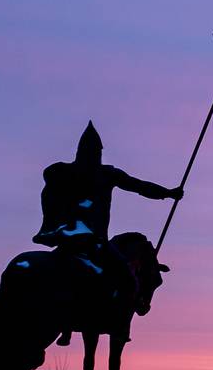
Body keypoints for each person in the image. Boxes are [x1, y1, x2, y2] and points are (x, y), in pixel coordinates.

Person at [34, 122, 181, 338]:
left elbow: (139, 186)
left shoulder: (64, 172)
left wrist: (166, 193)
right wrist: (168, 193)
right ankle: (118, 328)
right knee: (127, 279)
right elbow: (138, 186)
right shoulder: (102, 174)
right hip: (94, 242)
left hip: (66, 241)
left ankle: (66, 326)